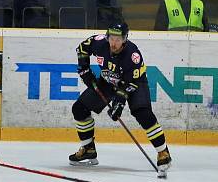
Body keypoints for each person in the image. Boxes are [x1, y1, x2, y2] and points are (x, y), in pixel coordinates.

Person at [69, 22, 172, 171]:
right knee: (79, 109)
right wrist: (84, 69)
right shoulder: (98, 43)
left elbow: (132, 82)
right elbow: (82, 48)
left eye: (118, 39)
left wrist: (120, 102)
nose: (114, 43)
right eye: (111, 38)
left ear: (125, 39)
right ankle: (88, 149)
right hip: (108, 81)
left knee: (143, 113)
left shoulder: (133, 55)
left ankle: (163, 151)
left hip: (134, 83)